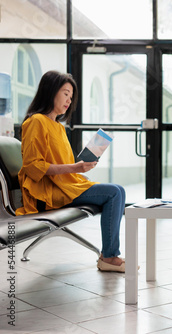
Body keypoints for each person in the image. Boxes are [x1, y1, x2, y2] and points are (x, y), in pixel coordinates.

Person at [16, 70, 127, 273]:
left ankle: (109, 254)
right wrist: (74, 168)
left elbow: (64, 166)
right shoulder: (36, 122)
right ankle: (109, 256)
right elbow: (33, 166)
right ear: (50, 91)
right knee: (114, 192)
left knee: (118, 189)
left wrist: (80, 169)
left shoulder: (58, 127)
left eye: (71, 96)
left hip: (65, 186)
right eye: (65, 93)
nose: (69, 100)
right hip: (47, 193)